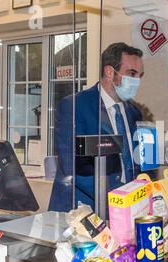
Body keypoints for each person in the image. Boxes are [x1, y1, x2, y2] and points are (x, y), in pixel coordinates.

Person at [49, 42, 144, 212]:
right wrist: (116, 199)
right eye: (131, 74)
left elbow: (137, 161)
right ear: (110, 72)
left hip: (129, 207)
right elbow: (72, 164)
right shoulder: (75, 106)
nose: (137, 81)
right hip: (84, 208)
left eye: (140, 75)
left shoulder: (134, 113)